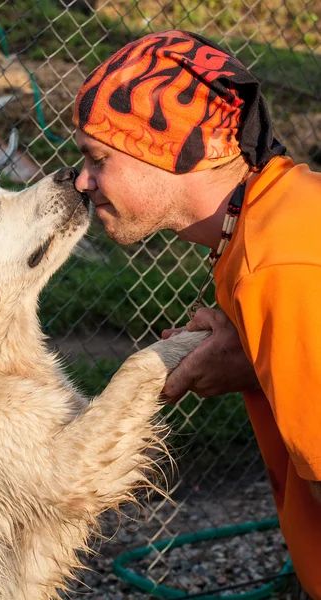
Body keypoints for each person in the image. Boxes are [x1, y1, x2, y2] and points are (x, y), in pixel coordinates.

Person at [72, 30, 321, 598]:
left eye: (97, 158)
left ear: (169, 150)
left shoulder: (274, 263)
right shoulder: (275, 216)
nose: (83, 181)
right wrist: (255, 361)